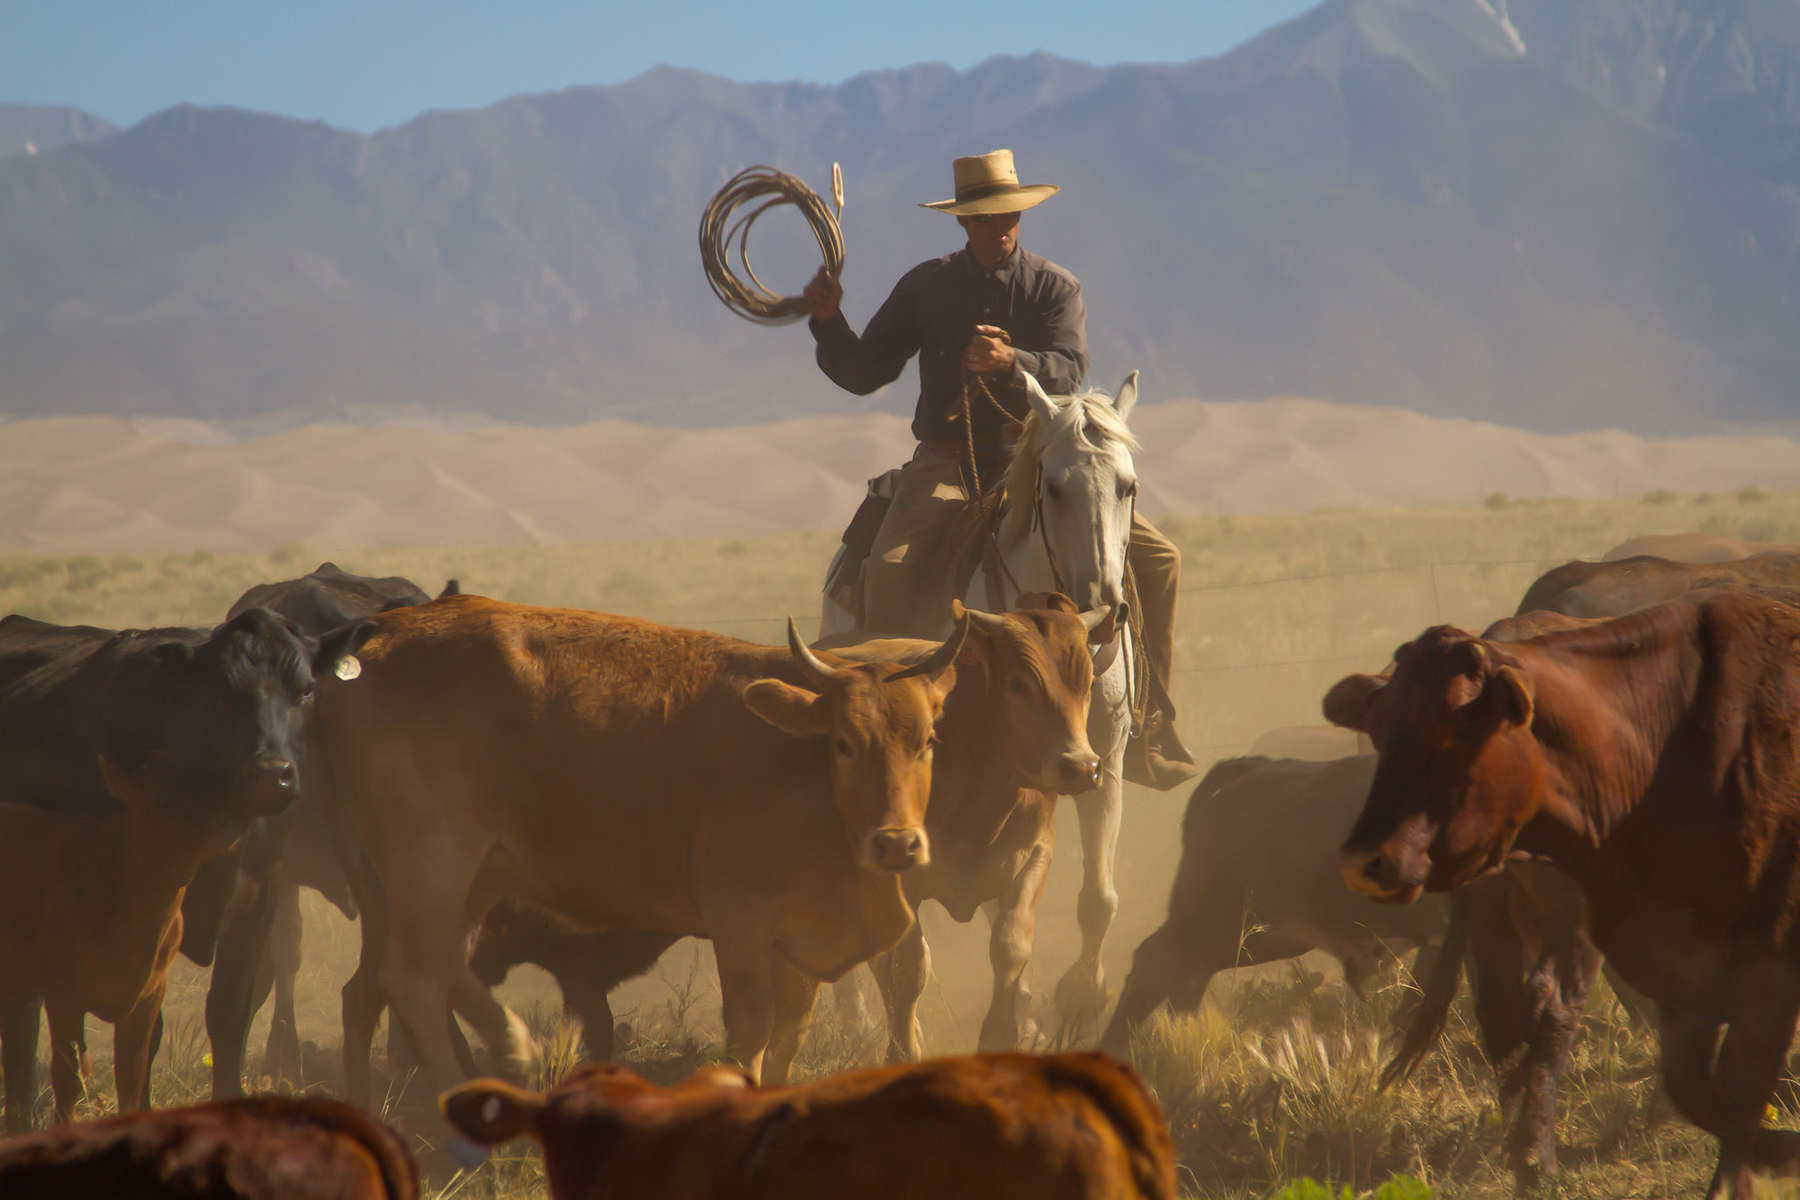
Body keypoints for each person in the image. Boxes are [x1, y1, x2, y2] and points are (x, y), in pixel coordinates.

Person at [801, 148, 1196, 789]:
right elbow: (864, 370)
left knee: (1161, 561)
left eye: (1007, 213)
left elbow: (1071, 369)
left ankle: (1150, 720)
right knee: (890, 571)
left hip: (1040, 459)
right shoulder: (926, 286)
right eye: (985, 217)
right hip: (949, 463)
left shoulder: (1054, 286)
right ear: (964, 223)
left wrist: (1015, 361)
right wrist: (827, 321)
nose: (999, 225)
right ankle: (902, 729)